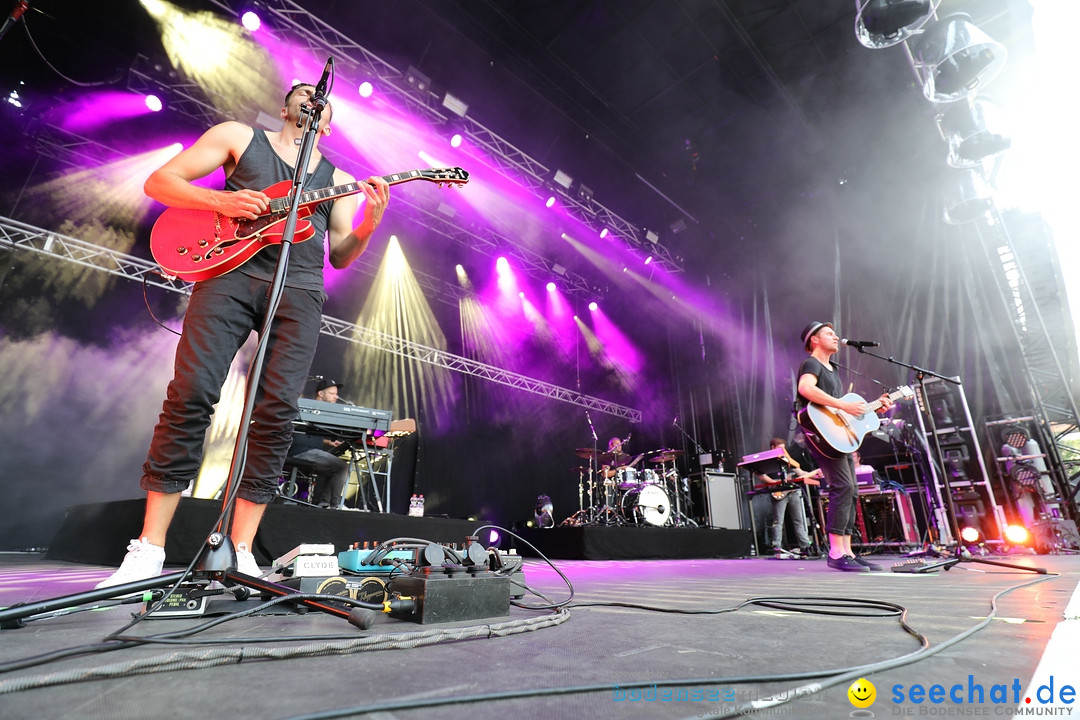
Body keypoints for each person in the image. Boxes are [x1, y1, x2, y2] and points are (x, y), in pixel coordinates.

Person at [96, 82, 390, 588]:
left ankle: (241, 550)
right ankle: (148, 549)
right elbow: (160, 183)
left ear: (328, 121)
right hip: (227, 277)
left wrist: (370, 223)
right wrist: (222, 202)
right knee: (192, 393)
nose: (310, 101)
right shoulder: (239, 137)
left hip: (298, 291)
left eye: (319, 103)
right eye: (301, 93)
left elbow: (339, 253)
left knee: (276, 413)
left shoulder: (337, 179)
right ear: (286, 107)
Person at [796, 321, 893, 572]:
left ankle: (848, 550)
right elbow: (806, 389)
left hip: (840, 435)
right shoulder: (812, 364)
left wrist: (873, 408)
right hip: (822, 435)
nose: (836, 337)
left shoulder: (833, 367)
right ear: (814, 340)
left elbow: (843, 412)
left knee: (852, 490)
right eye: (829, 333)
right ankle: (836, 552)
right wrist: (843, 406)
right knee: (843, 486)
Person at [287, 377, 352, 509]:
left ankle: (324, 504)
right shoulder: (309, 408)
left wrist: (328, 442)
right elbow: (299, 433)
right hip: (301, 452)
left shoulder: (321, 411)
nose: (336, 397)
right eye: (332, 394)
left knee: (335, 470)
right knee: (342, 467)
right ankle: (335, 505)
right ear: (320, 394)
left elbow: (309, 433)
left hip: (309, 450)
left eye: (336, 394)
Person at [754, 437, 815, 558]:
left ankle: (804, 546)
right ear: (772, 448)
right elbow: (762, 475)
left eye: (783, 448)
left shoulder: (788, 460)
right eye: (780, 448)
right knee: (778, 521)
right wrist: (776, 483)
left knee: (799, 520)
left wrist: (815, 472)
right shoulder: (768, 461)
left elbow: (801, 473)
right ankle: (777, 546)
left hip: (793, 491)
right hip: (779, 492)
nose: (783, 451)